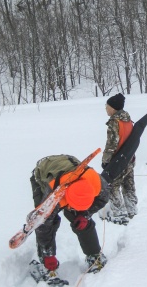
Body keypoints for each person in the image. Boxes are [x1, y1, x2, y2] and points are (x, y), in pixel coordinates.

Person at [30, 154, 109, 277]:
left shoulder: (96, 183)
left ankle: (94, 255)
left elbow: (102, 199)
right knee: (48, 221)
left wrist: (85, 215)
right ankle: (46, 264)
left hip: (69, 167)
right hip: (43, 174)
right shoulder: (53, 197)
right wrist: (48, 254)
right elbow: (43, 225)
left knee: (82, 223)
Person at [101, 93, 138, 225]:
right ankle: (132, 209)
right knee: (128, 185)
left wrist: (105, 161)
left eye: (107, 106)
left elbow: (111, 144)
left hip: (118, 160)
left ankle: (119, 215)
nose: (105, 108)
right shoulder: (128, 120)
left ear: (113, 108)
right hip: (129, 158)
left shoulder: (114, 122)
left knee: (113, 186)